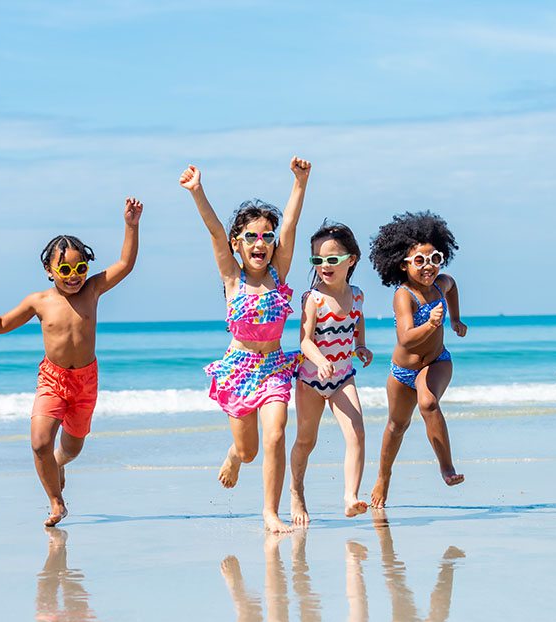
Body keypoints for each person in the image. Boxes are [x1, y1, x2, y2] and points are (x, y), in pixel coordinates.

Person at [0, 198, 143, 526]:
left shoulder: (92, 290)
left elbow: (125, 262)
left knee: (72, 448)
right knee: (39, 442)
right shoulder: (39, 301)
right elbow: (1, 325)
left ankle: (60, 463)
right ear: (49, 270)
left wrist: (131, 225)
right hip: (52, 379)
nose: (73, 276)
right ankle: (56, 502)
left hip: (85, 382)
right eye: (64, 269)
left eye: (80, 268)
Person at [180, 157, 311, 533]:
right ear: (238, 244)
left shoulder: (278, 273)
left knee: (276, 433)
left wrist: (300, 183)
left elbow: (290, 224)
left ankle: (270, 511)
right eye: (251, 236)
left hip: (273, 368)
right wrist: (197, 191)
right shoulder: (232, 277)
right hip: (238, 370)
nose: (260, 242)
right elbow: (214, 231)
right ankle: (235, 456)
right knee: (250, 450)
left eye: (266, 237)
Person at [367, 211, 468, 509]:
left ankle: (446, 466)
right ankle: (383, 477)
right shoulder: (404, 295)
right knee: (396, 426)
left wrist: (456, 320)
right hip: (402, 371)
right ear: (403, 264)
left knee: (428, 402)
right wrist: (432, 324)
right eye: (420, 261)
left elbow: (453, 288)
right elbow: (406, 338)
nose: (429, 267)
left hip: (436, 361)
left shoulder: (442, 284)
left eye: (434, 258)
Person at [289, 221, 373, 526]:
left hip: (342, 378)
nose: (325, 266)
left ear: (350, 260)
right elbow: (305, 340)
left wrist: (361, 345)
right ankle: (296, 491)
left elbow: (357, 321)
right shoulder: (314, 298)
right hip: (311, 380)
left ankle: (351, 497)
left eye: (332, 259)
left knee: (357, 433)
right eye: (318, 260)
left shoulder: (358, 295)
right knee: (305, 441)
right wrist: (320, 359)